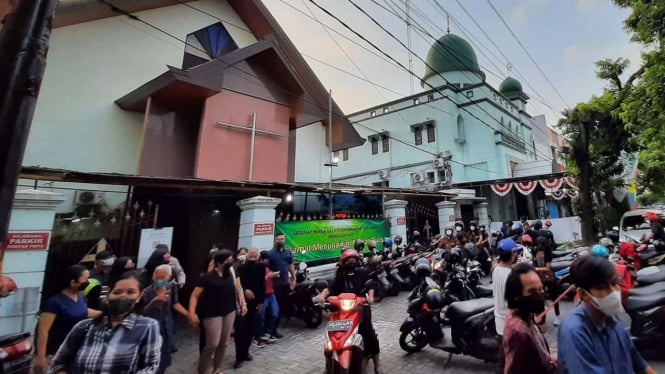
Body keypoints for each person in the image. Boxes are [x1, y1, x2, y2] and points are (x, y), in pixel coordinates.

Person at [558, 255, 656, 374]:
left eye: (615, 284)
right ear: (583, 294)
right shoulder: (575, 332)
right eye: (602, 288)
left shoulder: (612, 320)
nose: (614, 292)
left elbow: (640, 365)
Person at [49, 272, 162, 374]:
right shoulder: (84, 327)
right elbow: (59, 362)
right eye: (117, 292)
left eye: (130, 292)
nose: (123, 296)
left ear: (139, 297)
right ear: (108, 295)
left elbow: (150, 367)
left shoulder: (147, 326)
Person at [316, 249, 382, 374]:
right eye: (349, 259)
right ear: (343, 262)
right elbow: (330, 288)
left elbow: (370, 285)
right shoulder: (340, 276)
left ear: (358, 261)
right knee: (331, 337)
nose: (352, 261)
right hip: (342, 313)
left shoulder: (363, 272)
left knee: (370, 335)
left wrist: (371, 297)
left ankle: (377, 365)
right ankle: (328, 364)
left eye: (354, 259)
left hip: (360, 310)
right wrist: (322, 296)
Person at [189, 249, 247, 374]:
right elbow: (194, 296)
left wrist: (242, 303)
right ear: (220, 262)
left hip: (229, 310)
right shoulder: (207, 277)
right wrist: (192, 313)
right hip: (212, 313)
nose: (231, 262)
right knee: (212, 343)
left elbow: (238, 288)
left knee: (224, 342)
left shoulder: (230, 274)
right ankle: (203, 370)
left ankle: (217, 368)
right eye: (228, 260)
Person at [35, 265, 101, 374]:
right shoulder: (54, 302)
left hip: (74, 350)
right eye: (85, 279)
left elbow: (82, 311)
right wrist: (41, 357)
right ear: (73, 282)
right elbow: (43, 330)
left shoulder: (80, 296)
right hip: (55, 352)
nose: (88, 282)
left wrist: (104, 314)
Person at [502, 262, 557, 374]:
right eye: (532, 291)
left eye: (541, 289)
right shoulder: (519, 333)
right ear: (517, 296)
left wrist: (551, 359)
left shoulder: (524, 317)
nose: (539, 295)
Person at [141, 264, 189, 374]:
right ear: (154, 276)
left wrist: (189, 315)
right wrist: (154, 302)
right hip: (151, 328)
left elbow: (175, 304)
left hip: (167, 326)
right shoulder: (146, 292)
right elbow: (140, 313)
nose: (160, 280)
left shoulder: (171, 287)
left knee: (165, 358)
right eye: (158, 277)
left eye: (164, 277)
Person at [234, 248, 266, 368]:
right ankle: (238, 357)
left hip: (255, 302)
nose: (253, 255)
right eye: (251, 254)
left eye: (255, 254)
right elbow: (238, 283)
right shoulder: (240, 268)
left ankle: (245, 352)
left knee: (251, 330)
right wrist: (245, 290)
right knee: (241, 331)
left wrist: (262, 301)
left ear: (258, 256)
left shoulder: (261, 267)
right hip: (242, 302)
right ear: (247, 255)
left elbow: (262, 284)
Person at [492, 238, 518, 373]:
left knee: (503, 359)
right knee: (510, 362)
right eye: (515, 253)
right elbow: (512, 303)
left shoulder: (496, 270)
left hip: (499, 321)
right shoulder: (510, 275)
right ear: (512, 254)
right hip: (509, 322)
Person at [265, 233, 296, 337]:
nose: (281, 241)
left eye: (282, 239)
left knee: (281, 307)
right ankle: (269, 330)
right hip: (274, 285)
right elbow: (266, 268)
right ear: (275, 240)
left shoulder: (288, 252)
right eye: (279, 239)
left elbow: (290, 264)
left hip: (285, 283)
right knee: (274, 309)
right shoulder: (270, 253)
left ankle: (274, 329)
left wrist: (293, 277)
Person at [532, 237, 560, 326]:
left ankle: (557, 316)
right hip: (538, 277)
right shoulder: (535, 250)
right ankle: (542, 317)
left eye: (542, 247)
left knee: (554, 295)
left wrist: (535, 268)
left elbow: (547, 268)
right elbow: (533, 260)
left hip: (548, 277)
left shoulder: (548, 252)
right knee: (538, 297)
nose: (541, 249)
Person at [255, 251, 280, 347]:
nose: (268, 261)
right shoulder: (257, 268)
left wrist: (274, 276)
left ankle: (268, 333)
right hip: (263, 295)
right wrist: (267, 277)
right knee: (261, 317)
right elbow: (257, 282)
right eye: (266, 259)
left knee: (275, 313)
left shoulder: (268, 267)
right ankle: (259, 337)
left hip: (271, 293)